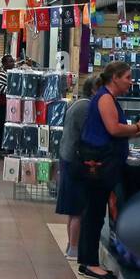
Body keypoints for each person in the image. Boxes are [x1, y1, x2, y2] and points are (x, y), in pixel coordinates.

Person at [76, 62, 140, 279]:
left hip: (104, 162)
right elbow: (113, 128)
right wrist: (136, 128)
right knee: (95, 211)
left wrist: (130, 133)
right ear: (115, 78)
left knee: (96, 211)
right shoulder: (106, 98)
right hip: (99, 164)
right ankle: (89, 262)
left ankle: (89, 260)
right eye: (127, 77)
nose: (130, 81)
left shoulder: (107, 98)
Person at [56, 76, 98, 260]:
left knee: (74, 210)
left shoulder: (78, 104)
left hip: (68, 160)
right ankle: (74, 248)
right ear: (95, 90)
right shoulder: (86, 108)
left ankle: (71, 246)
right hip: (76, 162)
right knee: (79, 210)